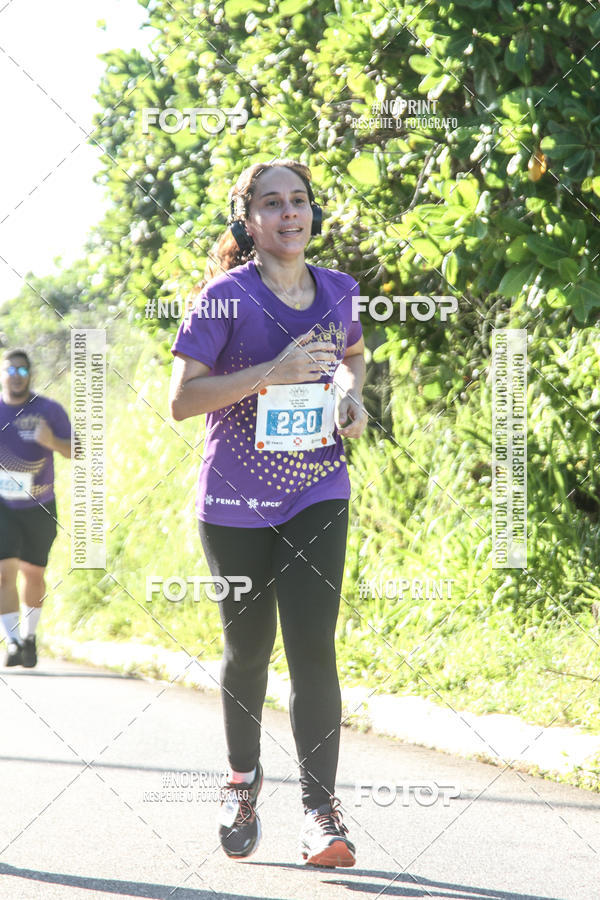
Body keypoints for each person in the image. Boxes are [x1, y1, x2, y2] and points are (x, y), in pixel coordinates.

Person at [169, 160, 367, 868]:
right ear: (247, 220)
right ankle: (241, 779)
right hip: (233, 502)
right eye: (274, 204)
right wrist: (270, 374)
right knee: (248, 650)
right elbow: (182, 401)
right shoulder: (224, 299)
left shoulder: (340, 291)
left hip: (317, 487)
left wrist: (350, 395)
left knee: (313, 646)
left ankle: (320, 815)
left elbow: (351, 357)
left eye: (301, 202)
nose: (291, 214)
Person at [0, 349, 72, 668]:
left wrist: (51, 440)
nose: (16, 377)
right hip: (3, 506)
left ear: (30, 374)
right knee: (4, 574)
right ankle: (13, 642)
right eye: (10, 371)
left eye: (22, 371)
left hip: (40, 504)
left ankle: (29, 638)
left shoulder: (48, 410)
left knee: (34, 573)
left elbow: (77, 449)